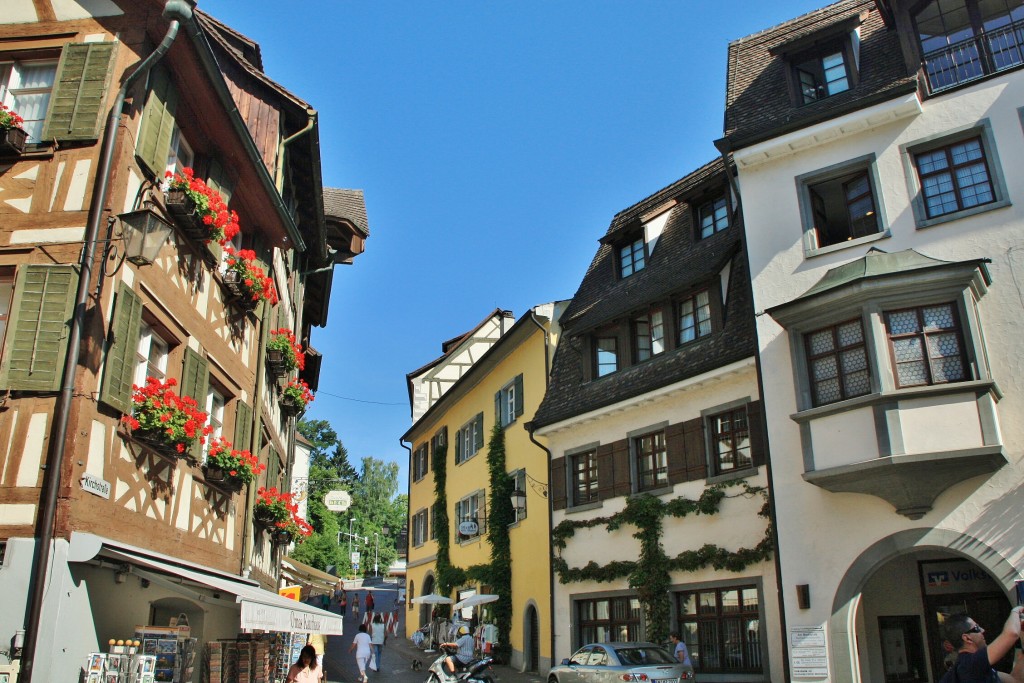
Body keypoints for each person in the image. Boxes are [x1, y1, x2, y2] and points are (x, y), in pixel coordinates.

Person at [940, 606, 1024, 682]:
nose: (983, 630)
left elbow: (1015, 680)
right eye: (977, 628)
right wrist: (1016, 611)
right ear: (967, 638)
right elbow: (1011, 634)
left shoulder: (973, 668)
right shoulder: (970, 665)